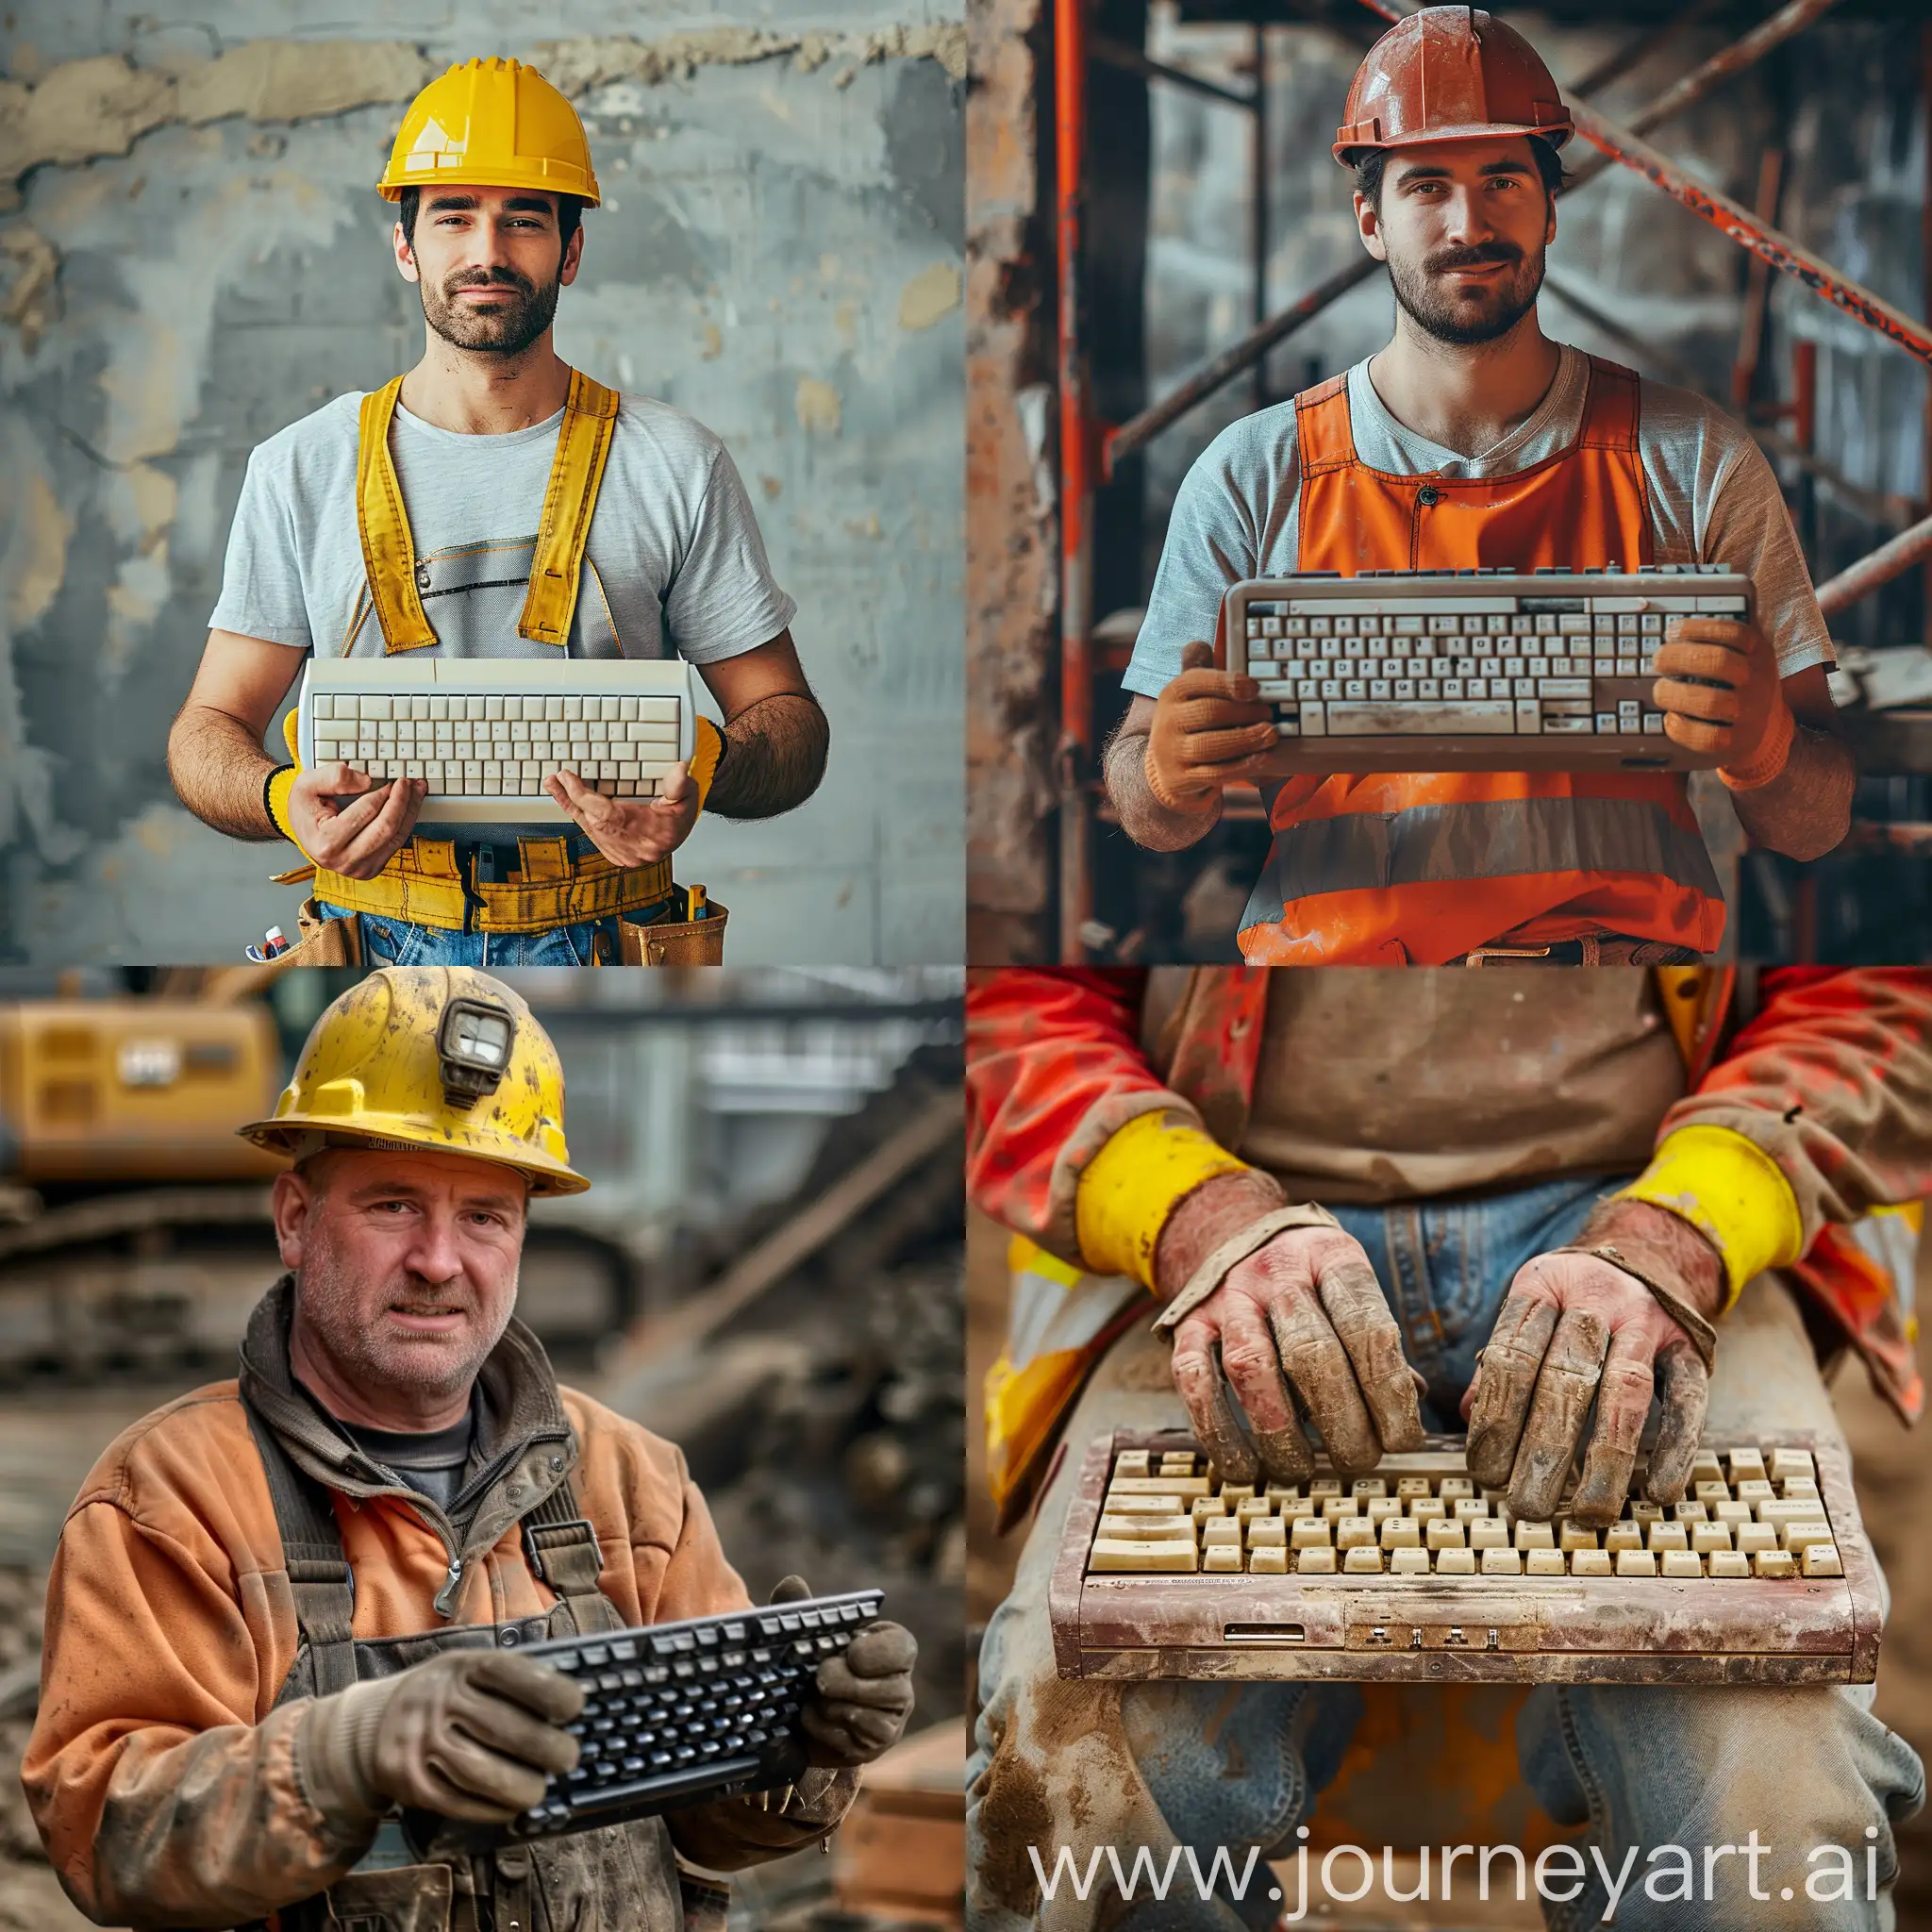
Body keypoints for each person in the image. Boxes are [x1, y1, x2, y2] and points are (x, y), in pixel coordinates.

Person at [965, 965, 1931, 1929]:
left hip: (1657, 1205)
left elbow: (1881, 993)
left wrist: (1675, 1232)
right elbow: (1011, 1008)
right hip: (1216, 1218)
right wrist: (1194, 1218)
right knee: (1072, 1742)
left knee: (1776, 1765)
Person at [25, 967, 917, 1931]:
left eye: (483, 1216)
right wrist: (343, 1753)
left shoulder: (626, 1477)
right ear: (293, 1217)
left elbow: (710, 1832)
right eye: (393, 1205)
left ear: (523, 1235)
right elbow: (106, 1832)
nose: (440, 1261)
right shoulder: (175, 1496)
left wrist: (794, 1746)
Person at [1106, 8, 1855, 966]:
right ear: (1370, 222)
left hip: (1617, 1005)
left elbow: (1813, 822)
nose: (1469, 224)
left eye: (1501, 180)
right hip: (1339, 1006)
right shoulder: (1252, 475)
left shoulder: (1692, 459)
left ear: (1549, 209)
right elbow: (1145, 804)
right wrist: (1165, 776)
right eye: (1426, 186)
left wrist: (1764, 750)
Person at [168, 58, 827, 966]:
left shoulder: (677, 464)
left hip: (607, 941)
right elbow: (208, 731)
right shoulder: (301, 468)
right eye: (453, 217)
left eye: (523, 218)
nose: (488, 251)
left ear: (571, 249)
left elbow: (789, 723)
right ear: (406, 248)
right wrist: (286, 801)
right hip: (367, 942)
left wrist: (701, 766)